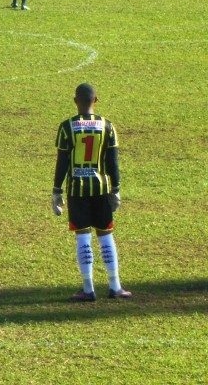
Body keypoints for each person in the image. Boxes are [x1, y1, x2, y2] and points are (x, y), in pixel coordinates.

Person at [52, 83, 131, 302]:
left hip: (77, 190)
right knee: (106, 235)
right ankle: (115, 286)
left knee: (83, 236)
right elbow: (112, 162)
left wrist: (57, 190)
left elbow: (63, 161)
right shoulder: (107, 126)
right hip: (102, 189)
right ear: (96, 100)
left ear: (75, 100)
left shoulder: (67, 127)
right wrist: (116, 189)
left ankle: (88, 288)